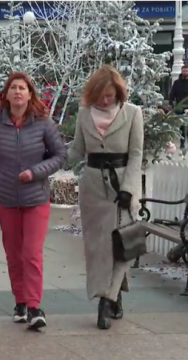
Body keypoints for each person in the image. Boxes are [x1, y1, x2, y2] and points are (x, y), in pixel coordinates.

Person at [0, 71, 66, 329]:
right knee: (14, 254)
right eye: (13, 88)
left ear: (30, 94)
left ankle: (33, 306)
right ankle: (19, 300)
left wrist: (35, 172)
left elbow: (60, 155)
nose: (18, 92)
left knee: (31, 253)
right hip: (7, 200)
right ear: (6, 95)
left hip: (35, 198)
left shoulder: (43, 123)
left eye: (22, 88)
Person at [68, 65, 144, 330]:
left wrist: (130, 188)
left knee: (121, 244)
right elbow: (77, 150)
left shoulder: (133, 113)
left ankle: (105, 300)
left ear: (118, 93)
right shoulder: (84, 114)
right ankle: (116, 294)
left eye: (110, 95)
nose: (105, 100)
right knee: (98, 247)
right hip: (92, 188)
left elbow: (136, 154)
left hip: (122, 185)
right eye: (101, 95)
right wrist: (46, 157)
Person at [169, 65, 188, 155]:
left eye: (186, 71)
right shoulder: (177, 83)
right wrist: (171, 103)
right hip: (180, 108)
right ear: (181, 71)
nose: (185, 72)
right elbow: (172, 93)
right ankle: (182, 143)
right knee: (181, 127)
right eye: (184, 71)